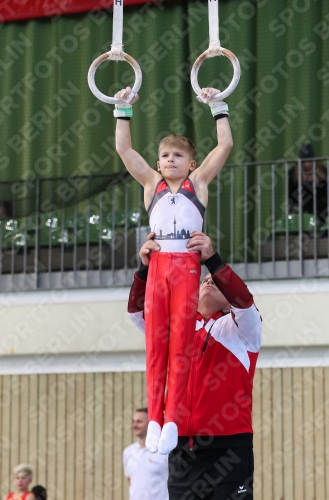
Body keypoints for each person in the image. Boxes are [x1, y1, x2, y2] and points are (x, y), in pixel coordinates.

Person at [115, 85, 233, 454]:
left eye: (177, 155)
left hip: (185, 266)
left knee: (181, 344)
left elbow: (225, 146)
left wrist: (218, 105)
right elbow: (124, 149)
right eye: (164, 155)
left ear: (191, 163)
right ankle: (154, 418)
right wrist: (123, 110)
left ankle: (173, 420)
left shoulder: (198, 184)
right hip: (160, 266)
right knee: (157, 345)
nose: (168, 160)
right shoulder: (152, 184)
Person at [128, 232, 262, 500]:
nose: (209, 281)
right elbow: (137, 311)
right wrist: (146, 269)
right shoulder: (174, 328)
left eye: (216, 280)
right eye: (205, 279)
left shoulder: (243, 330)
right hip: (181, 448)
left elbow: (243, 298)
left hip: (228, 450)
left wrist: (212, 260)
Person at [123, 407, 169, 500]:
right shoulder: (128, 452)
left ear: (150, 424)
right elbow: (130, 480)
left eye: (139, 422)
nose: (135, 425)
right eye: (134, 421)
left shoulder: (164, 451)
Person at [288, 143, 329, 223]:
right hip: (300, 202)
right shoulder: (293, 172)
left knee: (328, 203)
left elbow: (325, 193)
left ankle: (321, 226)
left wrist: (316, 183)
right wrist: (302, 183)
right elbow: (290, 195)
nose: (307, 164)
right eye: (304, 161)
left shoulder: (322, 171)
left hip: (317, 202)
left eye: (310, 161)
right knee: (306, 186)